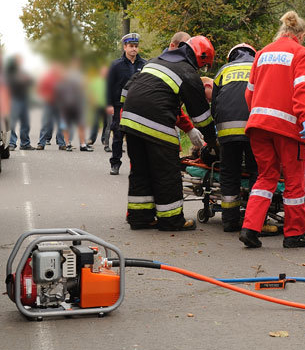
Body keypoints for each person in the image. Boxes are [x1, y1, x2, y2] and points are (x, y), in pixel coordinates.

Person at [120, 35, 217, 231]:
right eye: (203, 65)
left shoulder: (156, 61)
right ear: (200, 57)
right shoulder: (187, 72)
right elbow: (202, 117)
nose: (201, 69)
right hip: (156, 122)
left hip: (130, 120)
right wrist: (214, 142)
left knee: (141, 171)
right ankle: (171, 220)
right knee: (167, 172)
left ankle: (140, 218)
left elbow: (126, 90)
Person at [239, 11, 305, 249]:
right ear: (300, 35)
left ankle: (250, 228)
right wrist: (304, 119)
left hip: (258, 125)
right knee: (293, 181)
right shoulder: (302, 54)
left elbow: (249, 93)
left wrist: (259, 115)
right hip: (286, 127)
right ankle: (293, 235)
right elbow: (303, 89)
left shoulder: (261, 54)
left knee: (266, 176)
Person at [211, 43, 259, 232]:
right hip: (254, 129)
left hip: (226, 131)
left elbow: (214, 105)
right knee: (257, 172)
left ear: (231, 56)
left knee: (229, 173)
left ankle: (229, 221)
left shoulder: (223, 70)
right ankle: (254, 220)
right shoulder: (259, 67)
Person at [107, 32, 147, 175]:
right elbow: (108, 86)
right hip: (120, 106)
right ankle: (115, 163)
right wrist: (109, 105)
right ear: (125, 47)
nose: (134, 49)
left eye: (136, 46)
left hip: (138, 107)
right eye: (131, 46)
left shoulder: (145, 65)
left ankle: (137, 166)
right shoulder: (116, 65)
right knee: (118, 135)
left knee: (137, 138)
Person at [55, 60, 92, 152]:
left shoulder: (80, 77)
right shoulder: (64, 78)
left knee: (80, 124)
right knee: (68, 125)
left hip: (76, 104)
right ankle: (69, 144)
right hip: (67, 105)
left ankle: (80, 144)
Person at [6, 55, 34, 150]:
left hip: (24, 99)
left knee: (25, 123)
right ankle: (11, 143)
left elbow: (31, 81)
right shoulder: (9, 72)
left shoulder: (23, 72)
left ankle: (25, 144)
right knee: (12, 122)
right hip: (14, 99)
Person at [36, 63, 66, 150]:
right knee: (46, 123)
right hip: (48, 103)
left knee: (61, 124)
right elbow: (41, 89)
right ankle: (41, 143)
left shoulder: (62, 78)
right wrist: (45, 96)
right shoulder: (47, 77)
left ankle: (61, 144)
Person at [87, 66, 110, 151]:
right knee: (95, 123)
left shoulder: (110, 82)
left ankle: (104, 139)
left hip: (107, 105)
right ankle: (91, 140)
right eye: (103, 71)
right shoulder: (95, 81)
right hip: (96, 105)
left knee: (106, 123)